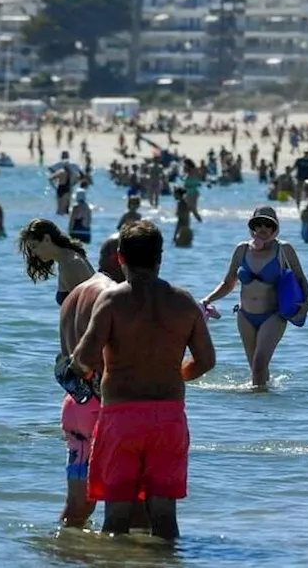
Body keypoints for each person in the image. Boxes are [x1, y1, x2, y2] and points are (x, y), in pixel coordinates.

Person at [69, 220, 216, 540]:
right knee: (164, 515)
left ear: (120, 257)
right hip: (168, 416)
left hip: (121, 417)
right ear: (160, 257)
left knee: (117, 517)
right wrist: (177, 374)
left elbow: (85, 358)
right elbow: (206, 361)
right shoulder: (184, 301)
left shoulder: (112, 301)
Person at [199, 206, 308, 389]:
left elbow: (300, 277)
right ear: (252, 227)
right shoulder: (242, 250)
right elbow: (228, 283)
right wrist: (207, 300)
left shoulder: (284, 249)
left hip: (273, 315)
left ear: (275, 228)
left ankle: (261, 404)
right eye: (258, 224)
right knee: (256, 370)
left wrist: (307, 302)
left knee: (259, 363)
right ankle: (259, 409)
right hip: (245, 316)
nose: (263, 229)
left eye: (268, 224)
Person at [57, 236, 123, 529]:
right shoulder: (111, 293)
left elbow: (63, 360)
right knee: (125, 506)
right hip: (102, 405)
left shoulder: (72, 295)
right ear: (118, 258)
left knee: (76, 509)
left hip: (74, 407)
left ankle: (65, 553)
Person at [17, 218, 95, 305]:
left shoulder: (70, 263)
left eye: (34, 246)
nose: (33, 254)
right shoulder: (67, 259)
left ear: (47, 239)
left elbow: (85, 308)